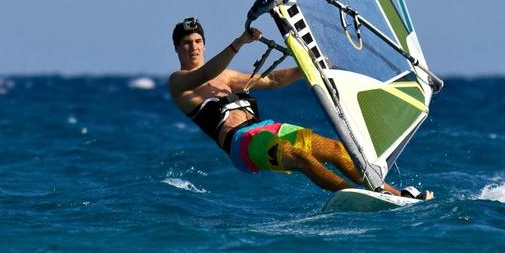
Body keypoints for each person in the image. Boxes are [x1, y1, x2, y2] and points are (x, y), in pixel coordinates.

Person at [168, 17, 433, 198]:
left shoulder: (225, 77)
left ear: (204, 44)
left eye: (198, 41)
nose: (194, 47)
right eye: (187, 43)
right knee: (300, 157)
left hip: (266, 128)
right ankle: (362, 197)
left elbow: (272, 79)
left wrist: (306, 66)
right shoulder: (180, 83)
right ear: (177, 48)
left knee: (336, 149)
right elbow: (204, 74)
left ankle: (394, 194)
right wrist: (239, 42)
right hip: (242, 144)